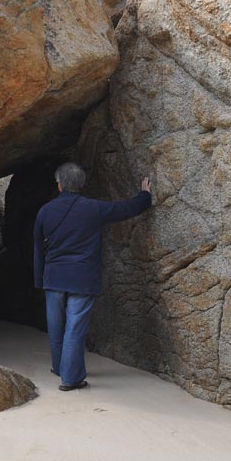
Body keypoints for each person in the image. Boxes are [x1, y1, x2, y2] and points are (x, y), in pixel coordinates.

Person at [33, 162, 152, 391]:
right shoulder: (93, 208)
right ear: (81, 184)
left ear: (59, 185)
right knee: (74, 328)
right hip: (82, 278)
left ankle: (59, 367)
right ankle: (70, 378)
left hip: (54, 278)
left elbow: (38, 248)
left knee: (56, 327)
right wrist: (145, 195)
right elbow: (125, 209)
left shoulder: (45, 211)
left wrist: (40, 279)